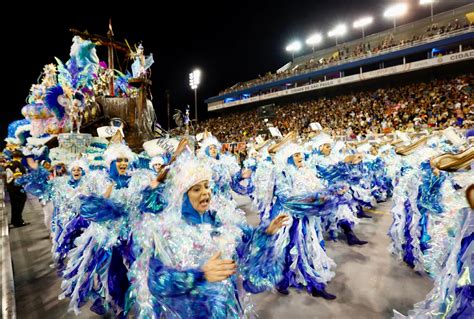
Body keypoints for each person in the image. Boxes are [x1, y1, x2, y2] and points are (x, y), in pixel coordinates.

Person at [5, 150, 28, 227]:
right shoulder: (17, 165)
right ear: (19, 157)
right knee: (19, 203)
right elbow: (19, 176)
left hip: (10, 187)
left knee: (14, 204)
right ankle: (18, 221)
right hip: (17, 187)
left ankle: (15, 220)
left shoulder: (9, 164)